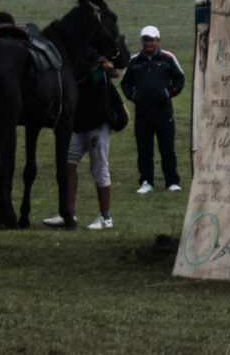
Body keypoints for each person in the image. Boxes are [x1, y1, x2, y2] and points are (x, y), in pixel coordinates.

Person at [48, 41, 122, 231]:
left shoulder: (99, 54)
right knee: (68, 164)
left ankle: (106, 217)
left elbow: (118, 64)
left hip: (98, 121)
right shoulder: (73, 56)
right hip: (78, 121)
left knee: (99, 167)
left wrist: (108, 67)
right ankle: (68, 212)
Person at [120, 24, 184, 194]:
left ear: (158, 41)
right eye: (146, 40)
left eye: (152, 40)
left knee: (167, 148)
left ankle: (172, 181)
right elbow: (125, 83)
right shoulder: (134, 61)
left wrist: (168, 93)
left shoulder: (168, 58)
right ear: (142, 41)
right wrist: (133, 96)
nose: (149, 44)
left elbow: (180, 79)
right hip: (142, 113)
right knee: (144, 150)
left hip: (164, 112)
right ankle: (146, 181)